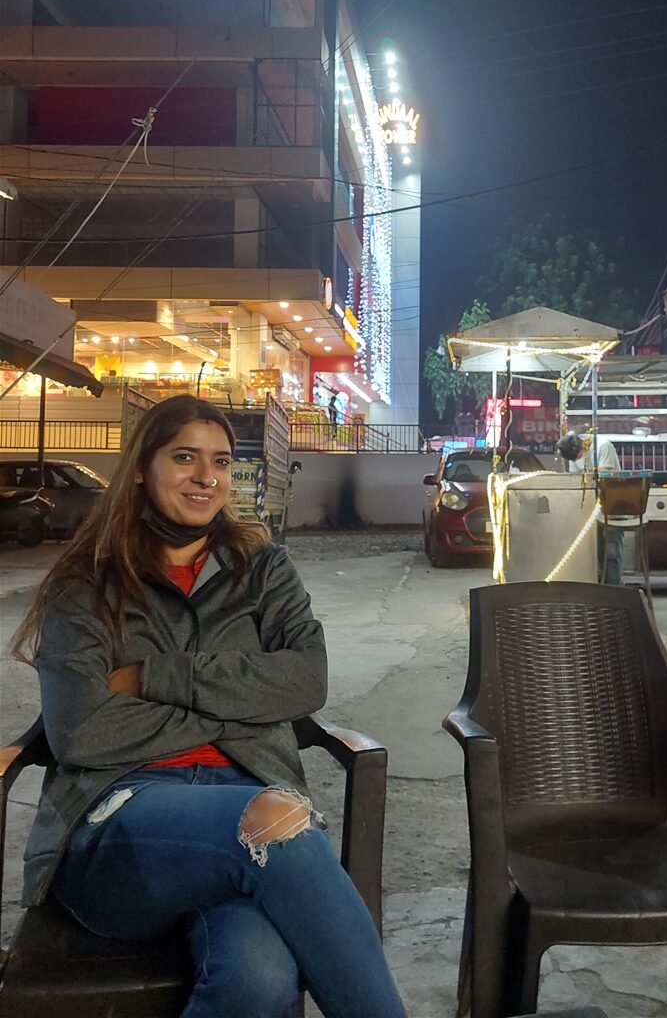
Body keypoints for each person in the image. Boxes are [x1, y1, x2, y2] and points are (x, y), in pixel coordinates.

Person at [10, 394, 407, 1018]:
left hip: (241, 805)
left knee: (260, 979)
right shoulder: (85, 583)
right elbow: (83, 734)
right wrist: (247, 699)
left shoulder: (264, 569)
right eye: (185, 457)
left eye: (220, 461)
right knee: (281, 823)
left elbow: (306, 681)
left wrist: (151, 677)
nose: (207, 477)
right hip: (118, 818)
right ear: (142, 466)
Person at [555, 427, 625, 585]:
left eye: (576, 457)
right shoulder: (575, 456)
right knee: (592, 551)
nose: (575, 461)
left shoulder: (603, 447)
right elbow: (577, 480)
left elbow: (606, 477)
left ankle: (614, 588)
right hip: (590, 510)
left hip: (610, 507)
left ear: (582, 447)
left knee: (611, 550)